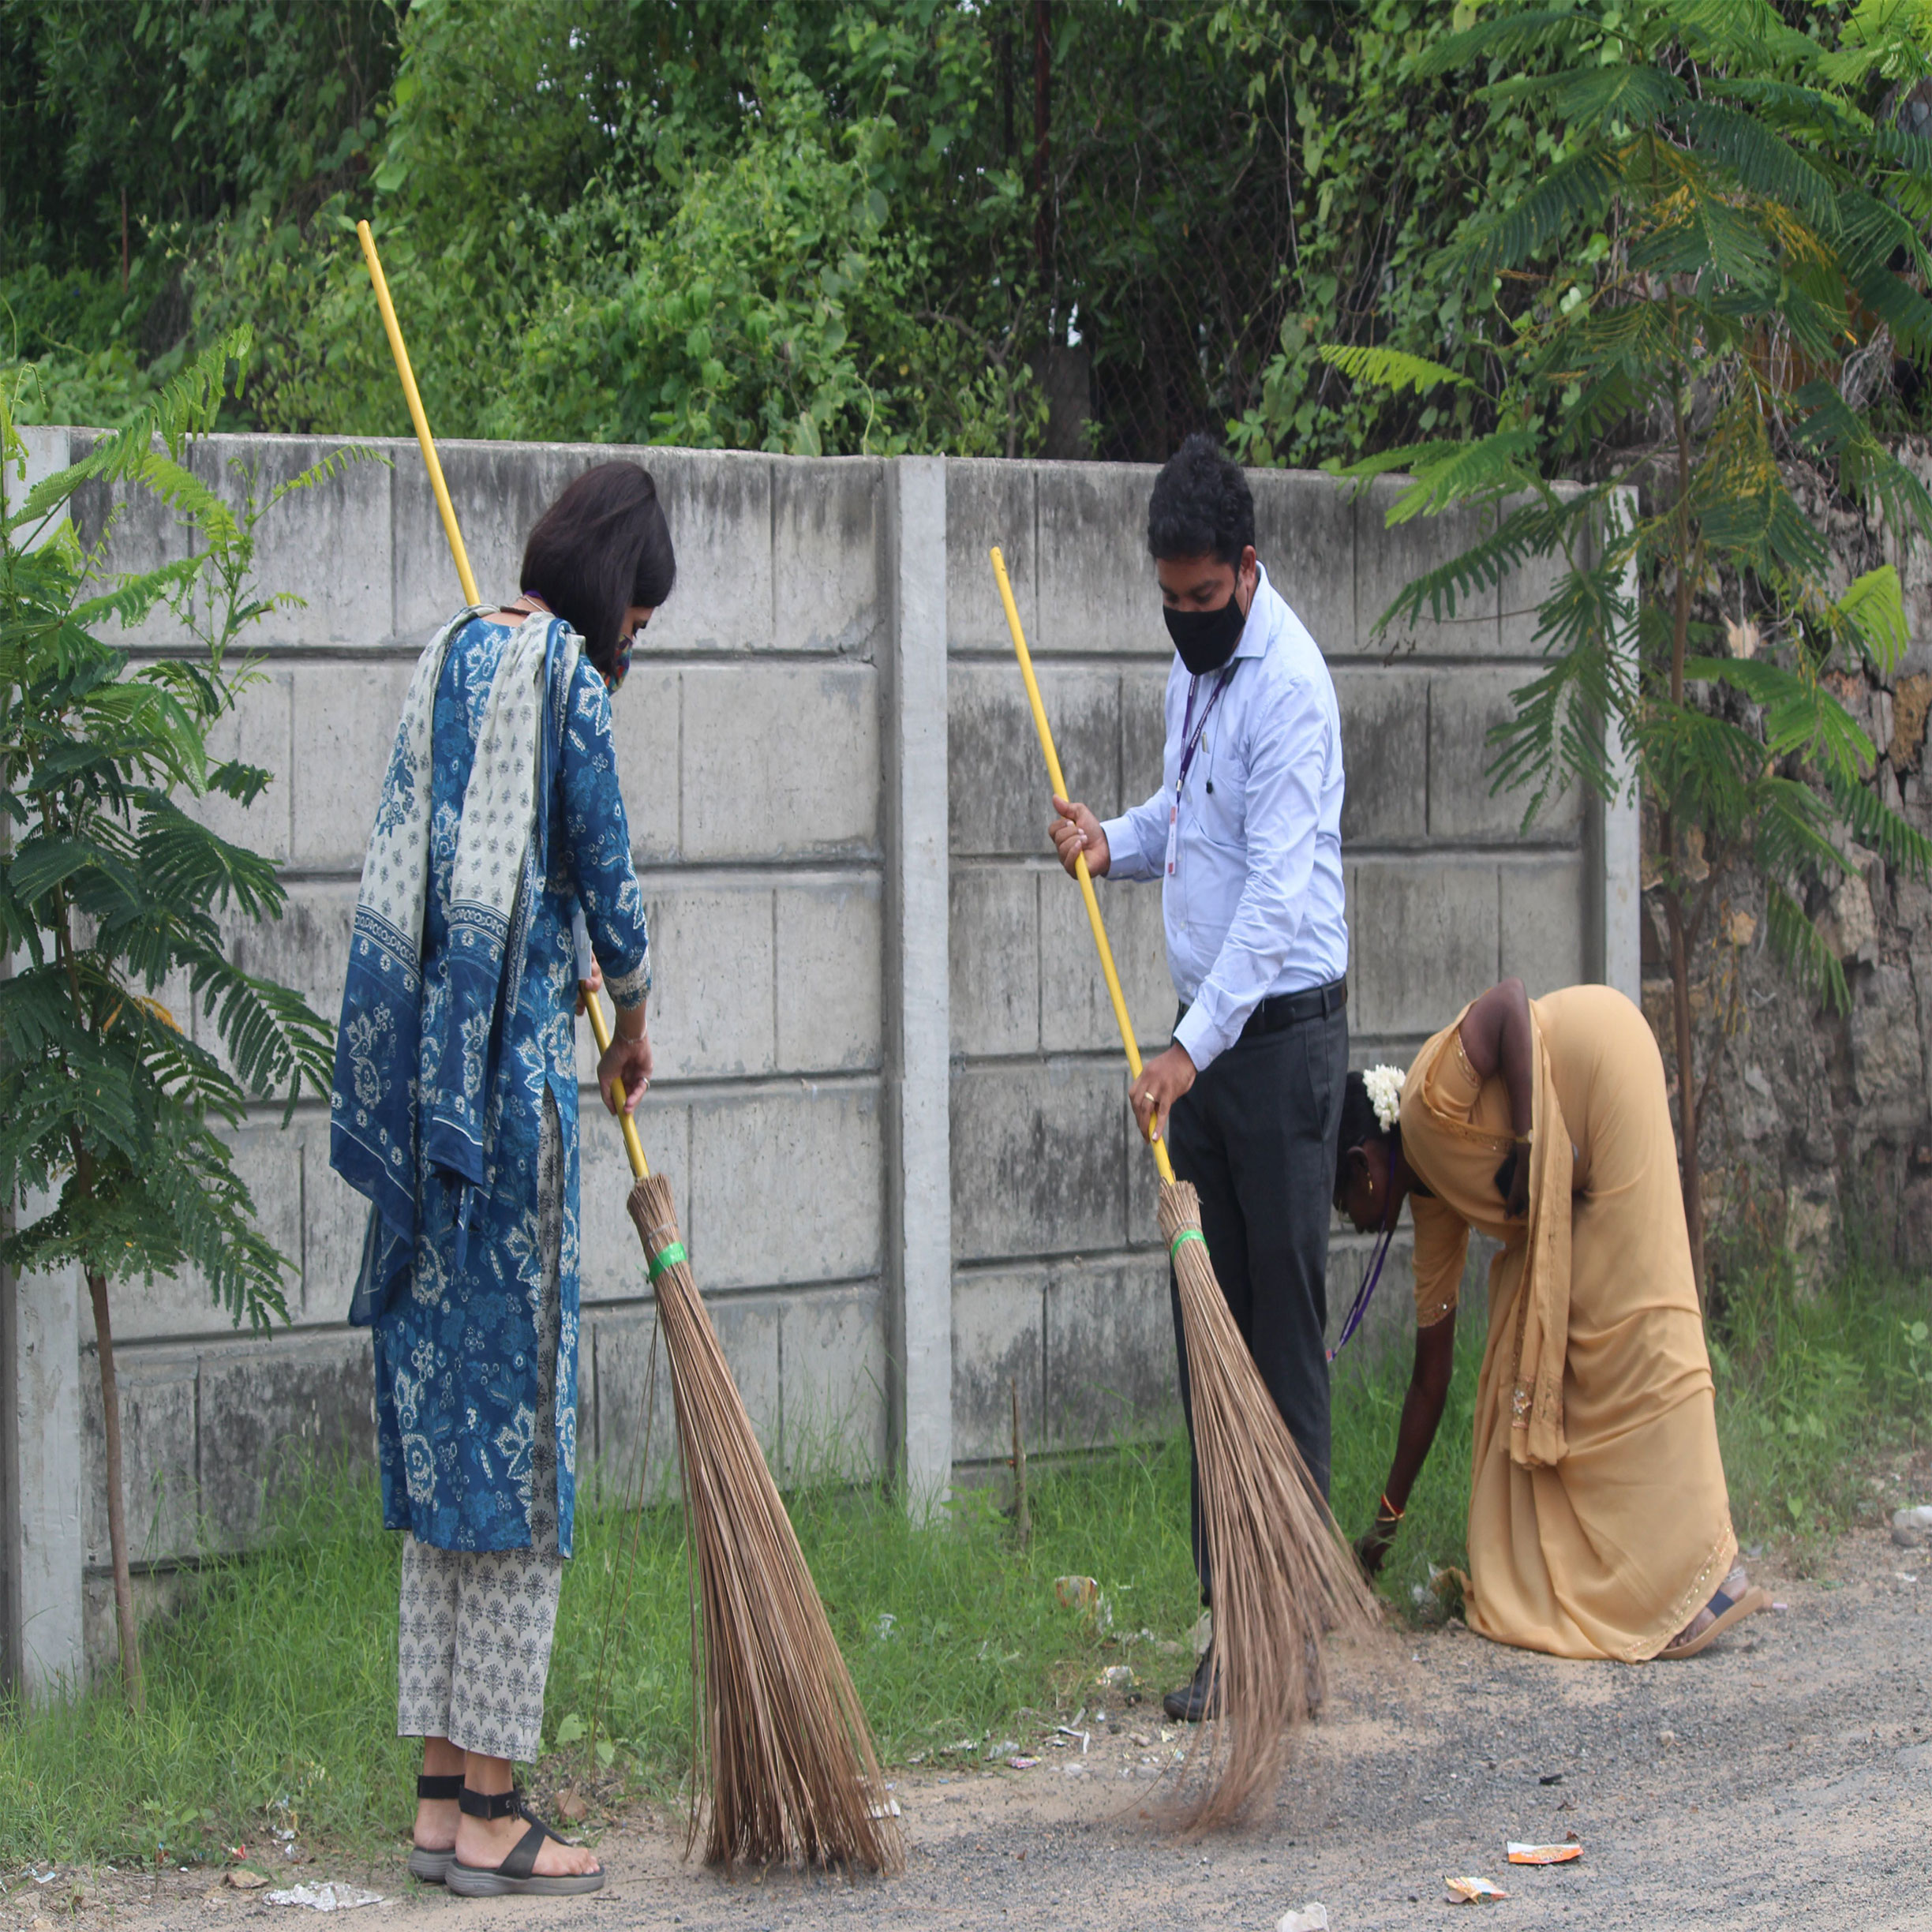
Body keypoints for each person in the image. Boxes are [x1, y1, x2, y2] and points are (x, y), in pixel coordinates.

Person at [331, 462, 668, 1895]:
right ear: (611, 594)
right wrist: (632, 1011)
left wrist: (563, 940)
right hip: (512, 1120)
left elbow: (478, 873)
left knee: (442, 1443)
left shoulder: (453, 652)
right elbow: (609, 874)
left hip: (423, 1119)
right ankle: (497, 1809)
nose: (637, 642)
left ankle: (435, 1797)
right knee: (521, 1457)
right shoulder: (568, 686)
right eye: (642, 617)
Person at [1049, 435, 1348, 1723]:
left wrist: (1186, 1047)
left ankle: (1295, 1642)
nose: (1182, 621)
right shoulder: (1200, 673)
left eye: (1199, 598)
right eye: (1164, 602)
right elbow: (1189, 814)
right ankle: (1232, 1632)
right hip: (1207, 1040)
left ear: (1243, 564)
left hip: (1275, 1048)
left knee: (1275, 1343)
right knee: (1205, 1340)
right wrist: (1108, 838)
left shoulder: (1289, 686)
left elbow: (1276, 898)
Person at [1335, 976, 1770, 1661]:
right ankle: (1619, 1575)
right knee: (1535, 1347)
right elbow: (1431, 1376)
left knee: (1634, 1331)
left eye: (1345, 1208)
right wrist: (1383, 1529)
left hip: (1604, 1072)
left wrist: (1535, 1144)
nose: (1354, 1227)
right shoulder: (1435, 1206)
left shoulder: (1423, 1109)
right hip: (1578, 1146)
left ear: (1363, 1169)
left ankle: (1708, 1574)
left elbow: (1507, 1003)